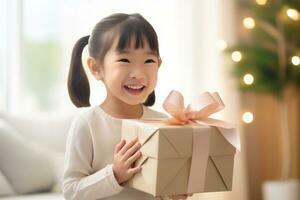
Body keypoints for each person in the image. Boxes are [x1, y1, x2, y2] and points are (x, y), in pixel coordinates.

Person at [63, 13, 193, 200]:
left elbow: (162, 186)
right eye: (124, 60)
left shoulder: (164, 123)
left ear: (158, 65)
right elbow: (71, 191)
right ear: (96, 67)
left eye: (148, 61)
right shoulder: (87, 123)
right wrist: (115, 175)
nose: (138, 74)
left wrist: (174, 193)